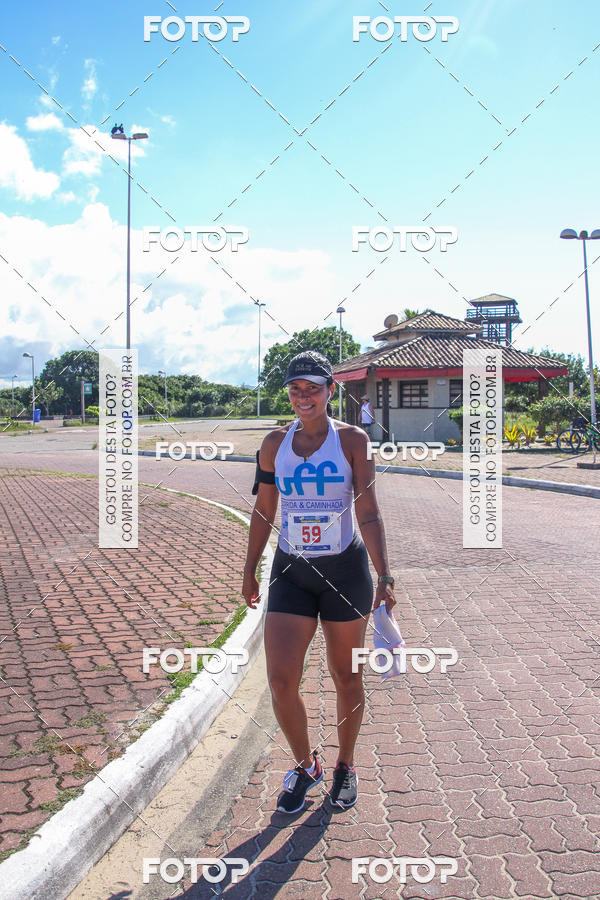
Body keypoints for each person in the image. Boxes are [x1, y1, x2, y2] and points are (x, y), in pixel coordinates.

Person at [242, 350, 395, 814]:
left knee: (346, 677)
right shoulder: (273, 444)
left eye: (312, 388)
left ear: (330, 390)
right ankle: (307, 766)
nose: (303, 397)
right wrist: (248, 567)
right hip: (291, 570)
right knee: (280, 679)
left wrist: (384, 575)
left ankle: (345, 766)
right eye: (295, 389)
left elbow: (367, 511)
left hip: (345, 574)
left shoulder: (353, 441)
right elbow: (265, 509)